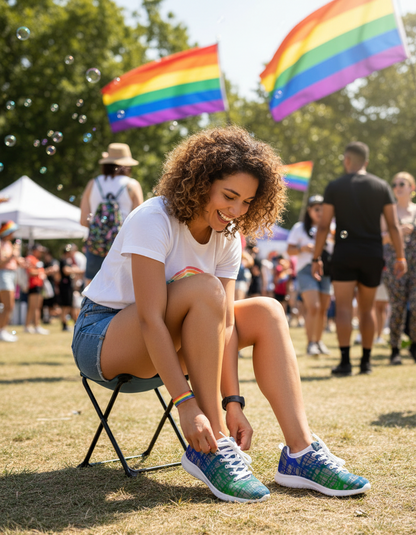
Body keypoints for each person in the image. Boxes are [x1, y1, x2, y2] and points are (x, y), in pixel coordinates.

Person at [72, 127, 370, 503]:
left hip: (172, 343)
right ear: (199, 182)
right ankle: (211, 445)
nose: (236, 210)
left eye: (246, 202)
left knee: (266, 309)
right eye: (229, 196)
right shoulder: (153, 218)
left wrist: (234, 402)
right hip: (103, 337)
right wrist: (187, 404)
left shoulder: (229, 236)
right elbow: (150, 319)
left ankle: (300, 453)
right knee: (205, 288)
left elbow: (224, 324)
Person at [312, 142, 406, 376]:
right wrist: (401, 256)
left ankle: (345, 362)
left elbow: (324, 225)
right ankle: (366, 362)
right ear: (367, 161)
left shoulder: (334, 186)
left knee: (343, 308)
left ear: (347, 160)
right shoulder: (381, 186)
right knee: (367, 309)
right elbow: (394, 225)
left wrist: (316, 257)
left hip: (344, 252)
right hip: (372, 253)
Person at [80, 143, 144, 284]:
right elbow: (140, 222)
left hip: (95, 246)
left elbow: (84, 221)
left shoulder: (92, 184)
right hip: (122, 247)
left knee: (91, 290)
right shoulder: (132, 185)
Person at [287, 195, 332, 356]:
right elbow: (289, 250)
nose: (319, 212)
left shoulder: (331, 226)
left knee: (323, 309)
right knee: (314, 306)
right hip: (305, 269)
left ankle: (319, 342)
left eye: (322, 209)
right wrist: (302, 249)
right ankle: (310, 343)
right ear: (309, 210)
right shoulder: (299, 228)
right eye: (316, 209)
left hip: (326, 270)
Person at [381, 172, 416, 365]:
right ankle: (395, 348)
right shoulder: (389, 211)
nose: (397, 187)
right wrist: (397, 232)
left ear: (412, 187)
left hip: (415, 264)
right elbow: (381, 238)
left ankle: (414, 343)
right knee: (398, 307)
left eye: (402, 183)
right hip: (395, 264)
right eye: (394, 184)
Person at [0, 221, 23, 342]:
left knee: (8, 306)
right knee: (8, 305)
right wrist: (12, 255)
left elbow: (13, 261)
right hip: (3, 274)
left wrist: (20, 262)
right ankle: (1, 331)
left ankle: (2, 330)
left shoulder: (8, 243)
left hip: (10, 274)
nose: (13, 234)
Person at [25, 244, 49, 335]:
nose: (41, 253)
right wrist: (44, 271)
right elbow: (30, 272)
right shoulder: (30, 258)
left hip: (38, 285)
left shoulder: (37, 260)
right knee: (33, 307)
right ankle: (29, 326)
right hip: (33, 285)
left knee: (37, 307)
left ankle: (35, 326)